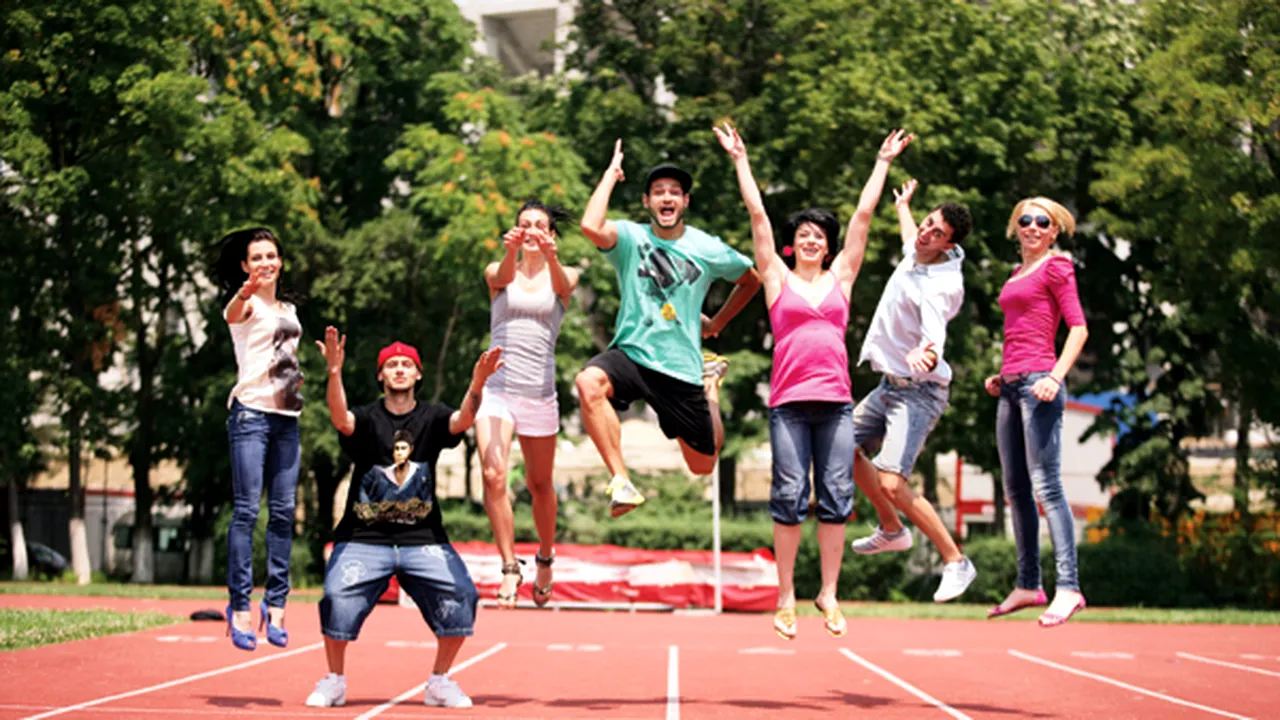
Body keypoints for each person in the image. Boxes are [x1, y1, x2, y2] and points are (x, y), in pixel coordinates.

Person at [716, 124, 911, 639]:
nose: (811, 239)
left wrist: (882, 163)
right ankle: (786, 598)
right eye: (803, 234)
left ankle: (828, 591)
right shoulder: (776, 278)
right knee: (787, 494)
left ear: (827, 248)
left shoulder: (841, 277)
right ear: (792, 244)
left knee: (837, 496)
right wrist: (740, 159)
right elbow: (757, 216)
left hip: (836, 404)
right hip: (788, 404)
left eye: (819, 236)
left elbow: (864, 217)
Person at [306, 330, 502, 708]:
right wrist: (334, 372)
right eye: (391, 365)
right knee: (334, 597)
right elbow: (340, 418)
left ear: (418, 374)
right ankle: (334, 680)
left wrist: (477, 384)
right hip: (363, 537)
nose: (399, 370)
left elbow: (463, 420)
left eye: (406, 365)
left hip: (424, 539)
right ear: (381, 376)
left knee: (462, 595)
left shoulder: (433, 417)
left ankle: (440, 680)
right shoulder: (366, 418)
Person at [575, 139, 761, 516]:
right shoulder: (631, 238)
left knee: (702, 465)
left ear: (685, 203)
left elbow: (751, 280)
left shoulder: (706, 247)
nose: (666, 197)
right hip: (633, 352)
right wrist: (611, 175)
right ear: (647, 202)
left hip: (679, 366)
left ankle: (710, 387)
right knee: (588, 382)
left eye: (675, 192)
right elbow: (590, 226)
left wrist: (718, 322)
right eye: (658, 192)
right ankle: (622, 483)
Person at [844, 177, 979, 603]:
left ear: (948, 245)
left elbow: (935, 329)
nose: (925, 232)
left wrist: (929, 351)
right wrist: (904, 207)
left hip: (920, 391)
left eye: (936, 232)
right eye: (927, 223)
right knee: (838, 444)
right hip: (890, 385)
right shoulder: (919, 250)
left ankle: (957, 561)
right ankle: (891, 529)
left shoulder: (941, 286)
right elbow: (909, 240)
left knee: (890, 482)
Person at [984, 197, 1089, 627]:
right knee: (1016, 490)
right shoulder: (1015, 274)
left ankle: (1069, 587)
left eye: (1041, 222)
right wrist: (1001, 375)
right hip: (1012, 385)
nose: (1032, 227)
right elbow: (1021, 331)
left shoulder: (1056, 267)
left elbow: (1078, 328)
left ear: (1053, 231)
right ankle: (1028, 584)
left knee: (1047, 487)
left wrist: (1056, 377)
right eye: (1025, 220)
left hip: (1039, 386)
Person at [479, 200, 579, 608]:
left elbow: (564, 288)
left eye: (541, 225)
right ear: (515, 232)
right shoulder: (499, 273)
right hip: (497, 389)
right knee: (493, 473)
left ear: (551, 235)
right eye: (525, 225)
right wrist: (510, 251)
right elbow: (500, 274)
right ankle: (508, 567)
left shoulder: (565, 274)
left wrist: (552, 259)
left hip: (539, 396)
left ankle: (545, 556)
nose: (533, 230)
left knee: (540, 485)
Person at [213, 226, 303, 651]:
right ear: (246, 266)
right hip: (250, 417)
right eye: (257, 257)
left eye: (272, 255)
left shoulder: (288, 308)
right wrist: (243, 292)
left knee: (284, 513)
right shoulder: (245, 307)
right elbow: (231, 313)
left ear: (280, 261)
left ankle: (277, 605)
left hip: (287, 419)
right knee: (248, 512)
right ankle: (240, 608)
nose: (266, 262)